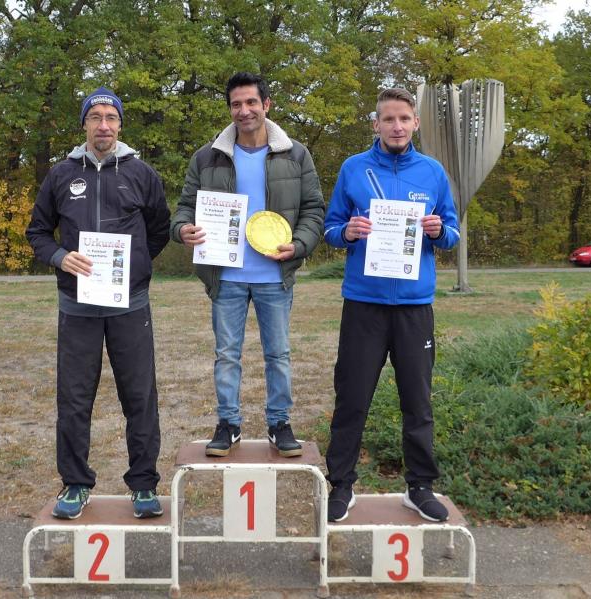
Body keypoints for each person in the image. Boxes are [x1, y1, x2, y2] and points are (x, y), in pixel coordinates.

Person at [26, 87, 170, 520]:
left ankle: (143, 484)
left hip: (130, 305)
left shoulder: (142, 173)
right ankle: (75, 483)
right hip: (77, 308)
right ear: (85, 124)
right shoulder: (60, 175)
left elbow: (158, 230)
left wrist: (134, 266)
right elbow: (37, 233)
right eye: (95, 117)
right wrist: (59, 256)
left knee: (139, 397)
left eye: (111, 117)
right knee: (73, 400)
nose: (103, 125)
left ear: (120, 124)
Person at [170, 72, 324, 458]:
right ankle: (228, 424)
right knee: (227, 354)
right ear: (230, 109)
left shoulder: (296, 155)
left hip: (275, 275)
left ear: (266, 105)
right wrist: (182, 229)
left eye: (251, 102)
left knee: (279, 355)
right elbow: (185, 207)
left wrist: (299, 245)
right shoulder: (206, 157)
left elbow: (314, 210)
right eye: (236, 104)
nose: (244, 110)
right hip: (226, 277)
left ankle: (279, 423)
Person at [323, 88, 460, 522]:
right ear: (376, 124)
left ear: (415, 122)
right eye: (388, 119)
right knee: (352, 398)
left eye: (404, 119)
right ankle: (341, 485)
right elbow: (330, 227)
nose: (396, 126)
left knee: (417, 401)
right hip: (364, 304)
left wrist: (438, 232)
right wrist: (347, 232)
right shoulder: (354, 168)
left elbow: (453, 233)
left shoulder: (433, 172)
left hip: (415, 307)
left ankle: (419, 487)